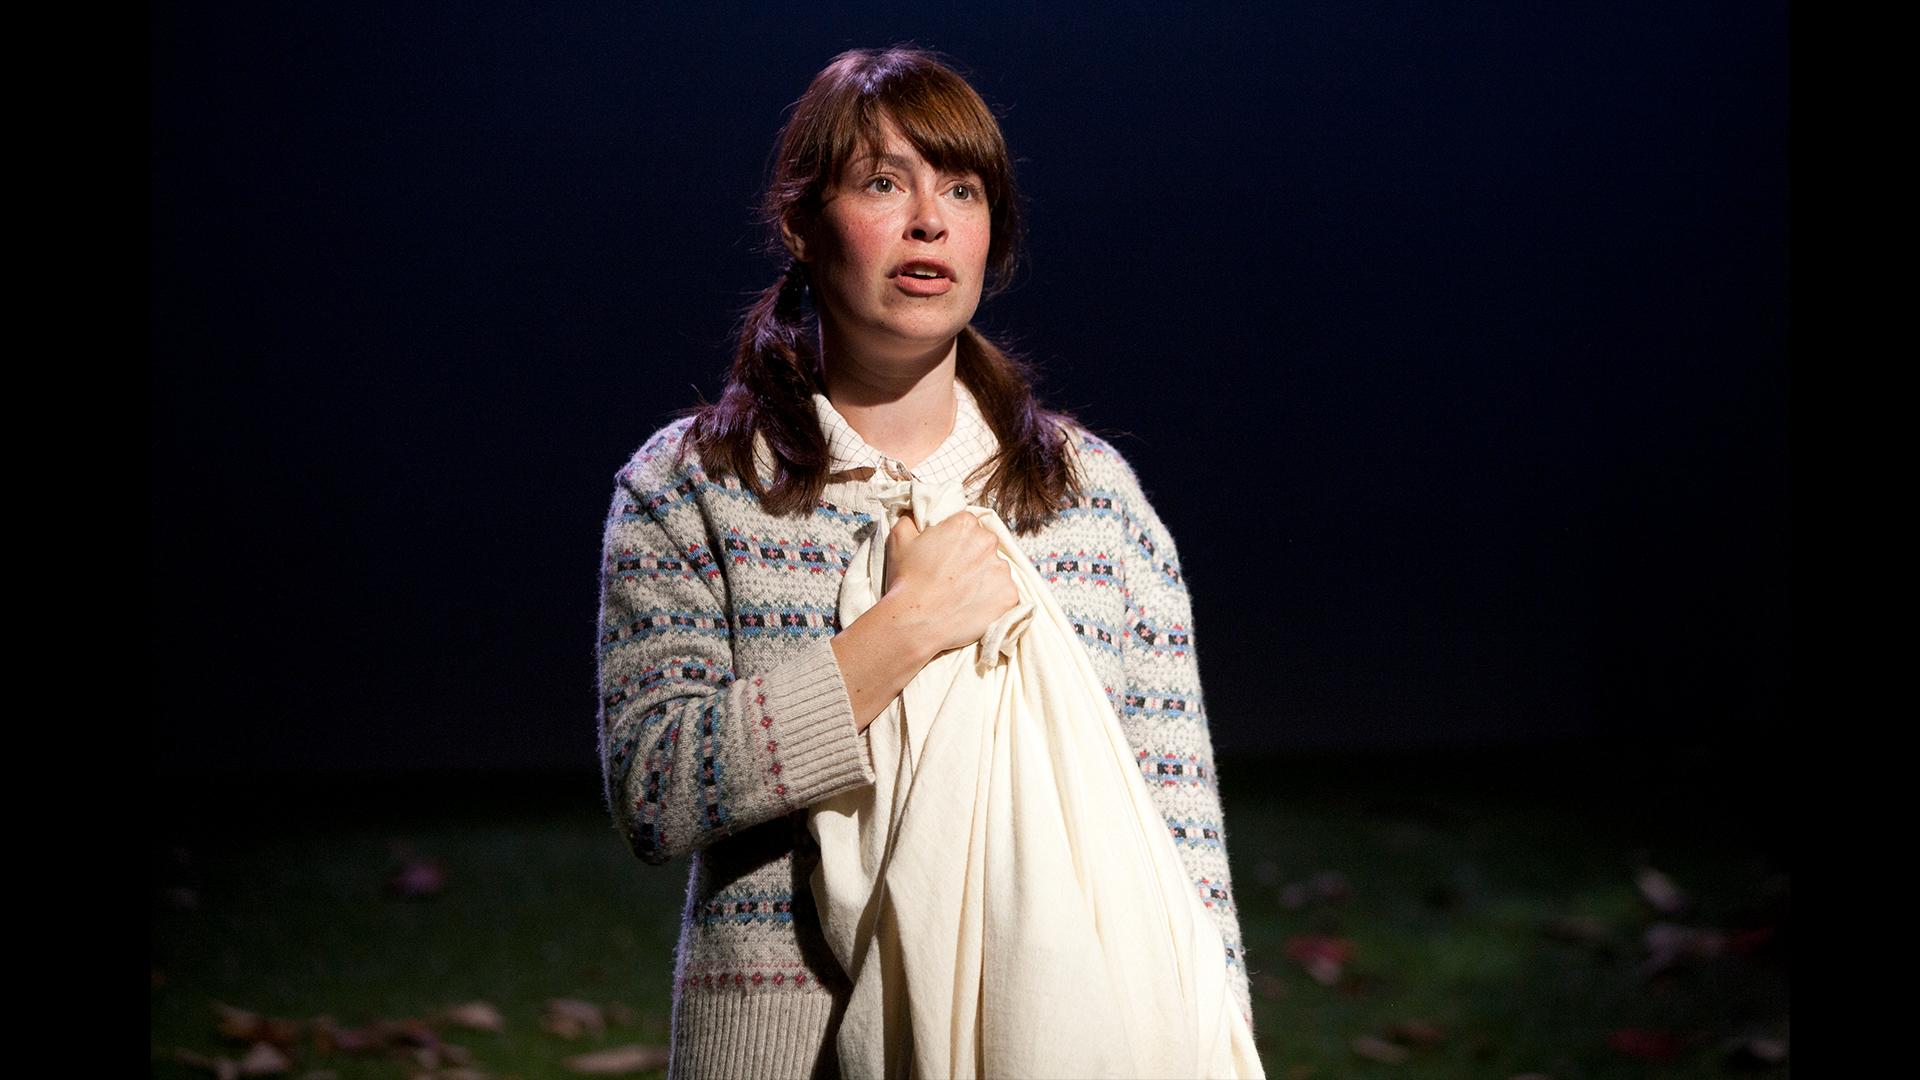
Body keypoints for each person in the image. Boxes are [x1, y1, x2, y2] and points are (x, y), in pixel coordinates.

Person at [597, 45, 1255, 1078]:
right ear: (800, 224)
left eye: (962, 188)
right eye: (883, 183)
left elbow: (1180, 834)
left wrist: (1219, 1037)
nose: (929, 221)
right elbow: (655, 787)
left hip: (1060, 1039)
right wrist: (891, 641)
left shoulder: (1094, 502)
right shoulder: (693, 487)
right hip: (791, 1052)